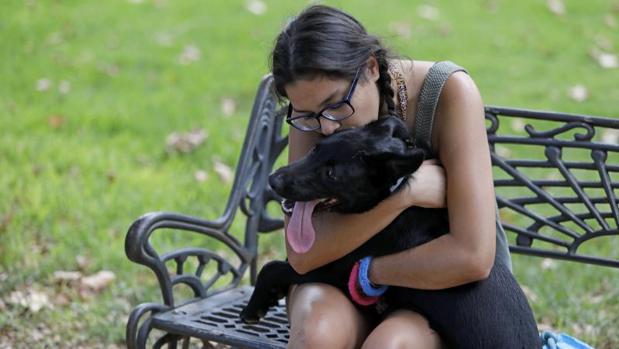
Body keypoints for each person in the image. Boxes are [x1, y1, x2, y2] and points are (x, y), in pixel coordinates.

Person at [271, 5, 514, 349]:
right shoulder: (313, 114)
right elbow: (303, 254)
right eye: (309, 114)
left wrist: (372, 272)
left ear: (371, 67)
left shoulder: (448, 93)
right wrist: (405, 195)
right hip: (338, 280)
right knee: (317, 335)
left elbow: (472, 256)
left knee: (390, 345)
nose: (326, 127)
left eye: (335, 104)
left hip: (438, 290)